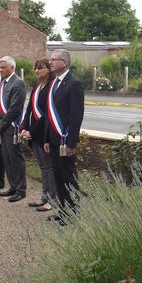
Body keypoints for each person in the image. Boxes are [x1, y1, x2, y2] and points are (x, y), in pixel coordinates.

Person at [44, 49, 85, 222]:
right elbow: (49, 113)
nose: (51, 62)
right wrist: (46, 138)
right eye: (50, 59)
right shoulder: (54, 82)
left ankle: (73, 213)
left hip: (65, 140)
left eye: (55, 59)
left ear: (65, 62)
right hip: (53, 140)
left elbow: (76, 116)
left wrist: (71, 143)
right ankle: (62, 211)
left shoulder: (74, 83)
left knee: (68, 177)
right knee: (58, 177)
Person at [21, 59, 56, 212]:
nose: (36, 71)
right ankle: (44, 196)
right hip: (33, 133)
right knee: (43, 167)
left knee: (49, 168)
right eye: (35, 68)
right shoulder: (37, 86)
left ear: (49, 69)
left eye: (41, 68)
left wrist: (32, 131)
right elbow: (29, 109)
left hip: (44, 134)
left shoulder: (50, 87)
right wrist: (24, 127)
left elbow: (46, 115)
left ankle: (52, 200)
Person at [0, 55, 27, 202]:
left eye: (3, 67)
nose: (0, 70)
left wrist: (2, 123)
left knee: (15, 159)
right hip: (2, 126)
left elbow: (14, 108)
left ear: (12, 68)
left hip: (12, 127)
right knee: (6, 158)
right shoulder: (2, 83)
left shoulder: (18, 83)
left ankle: (20, 189)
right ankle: (12, 185)